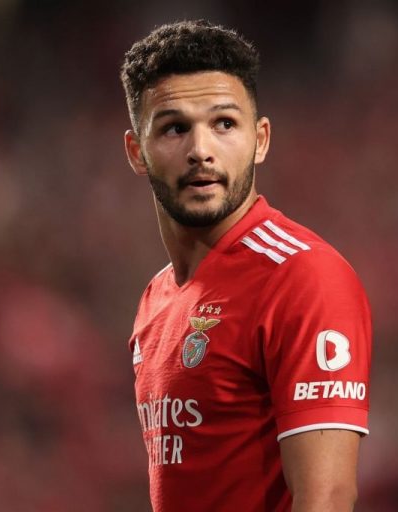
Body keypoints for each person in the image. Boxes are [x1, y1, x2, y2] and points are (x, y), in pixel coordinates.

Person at [120, 20, 372, 512]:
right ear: (137, 152)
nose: (200, 151)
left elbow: (327, 497)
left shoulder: (302, 276)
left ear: (260, 139)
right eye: (174, 128)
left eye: (224, 124)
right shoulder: (156, 298)